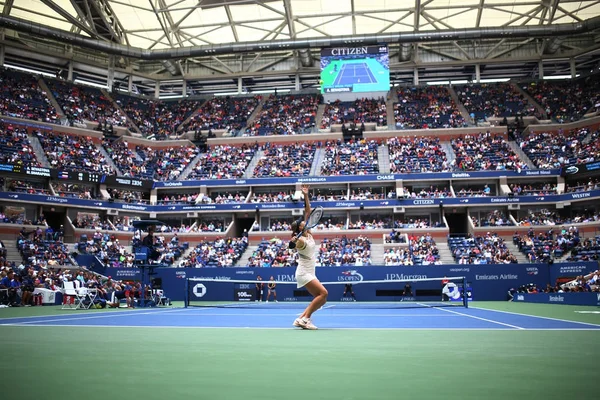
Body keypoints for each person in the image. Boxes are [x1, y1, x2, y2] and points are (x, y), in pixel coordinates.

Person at [290, 184, 328, 330]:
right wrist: (292, 242)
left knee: (321, 298)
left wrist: (305, 194)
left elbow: (308, 211)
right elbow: (292, 246)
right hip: (304, 272)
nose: (306, 221)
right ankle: (306, 318)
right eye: (303, 222)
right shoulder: (300, 240)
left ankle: (300, 319)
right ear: (300, 227)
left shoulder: (308, 233)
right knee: (324, 293)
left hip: (309, 272)